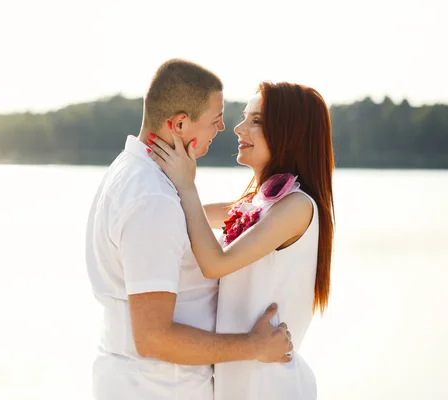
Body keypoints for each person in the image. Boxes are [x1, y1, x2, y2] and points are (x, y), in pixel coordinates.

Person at [85, 60, 293, 400]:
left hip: (136, 381)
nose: (223, 128)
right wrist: (254, 346)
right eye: (215, 120)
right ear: (180, 123)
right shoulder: (152, 198)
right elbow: (154, 337)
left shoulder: (129, 172)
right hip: (161, 387)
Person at [147, 81, 335, 399]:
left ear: (291, 133)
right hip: (239, 379)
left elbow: (215, 264)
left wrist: (187, 182)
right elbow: (190, 217)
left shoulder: (297, 206)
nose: (238, 128)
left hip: (270, 384)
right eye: (245, 117)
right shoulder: (259, 202)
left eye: (256, 121)